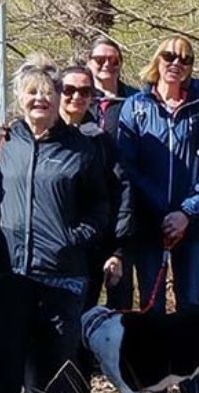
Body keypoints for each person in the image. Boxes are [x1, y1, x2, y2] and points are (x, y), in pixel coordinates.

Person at [0, 55, 109, 393]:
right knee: (6, 362)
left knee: (60, 365)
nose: (39, 100)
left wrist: (74, 240)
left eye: (47, 94)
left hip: (62, 277)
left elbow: (101, 208)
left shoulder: (81, 148)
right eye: (31, 93)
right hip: (9, 275)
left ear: (58, 99)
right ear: (19, 98)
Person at [116, 36, 199, 315]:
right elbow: (127, 167)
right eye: (169, 56)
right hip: (150, 225)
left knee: (191, 306)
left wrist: (185, 214)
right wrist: (163, 212)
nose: (176, 63)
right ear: (157, 59)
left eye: (185, 59)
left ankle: (191, 360)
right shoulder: (135, 107)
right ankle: (156, 361)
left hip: (192, 225)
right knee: (152, 309)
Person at [60, 66, 133, 311]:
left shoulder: (102, 142)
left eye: (84, 91)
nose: (76, 97)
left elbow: (121, 193)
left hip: (89, 251)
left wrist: (118, 251)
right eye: (68, 90)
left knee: (81, 320)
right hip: (46, 254)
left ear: (92, 96)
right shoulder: (36, 137)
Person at [86, 37, 138, 133]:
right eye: (99, 60)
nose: (107, 64)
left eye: (114, 61)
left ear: (121, 64)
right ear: (89, 62)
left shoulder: (136, 100)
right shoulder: (78, 97)